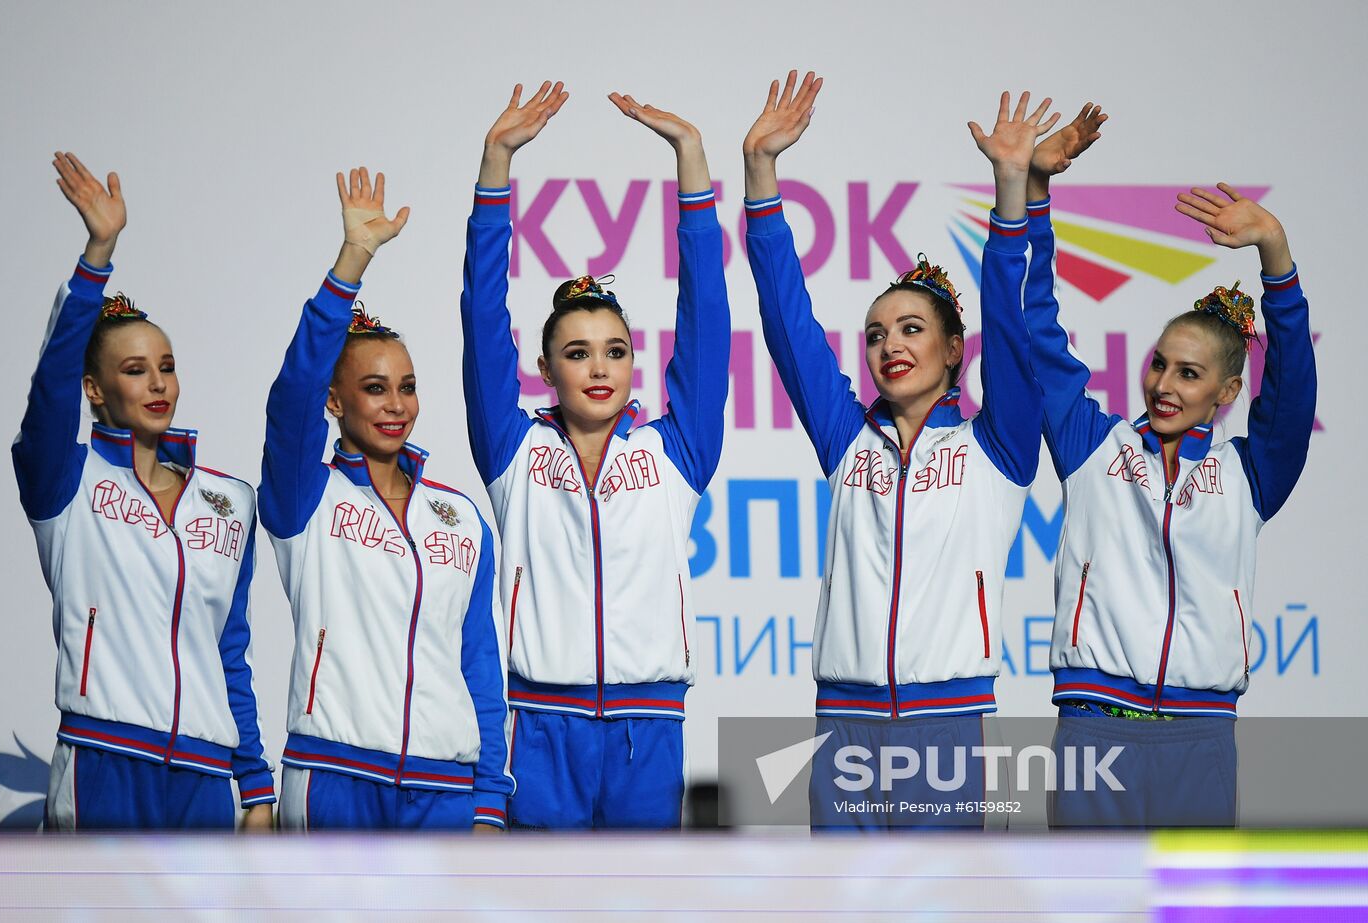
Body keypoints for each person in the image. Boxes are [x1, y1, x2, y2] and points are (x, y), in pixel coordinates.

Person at [743, 75, 1054, 829]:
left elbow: (1015, 334)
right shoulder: (849, 440)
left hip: (948, 727)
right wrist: (760, 172)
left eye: (912, 329)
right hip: (841, 724)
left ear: (954, 350)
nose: (890, 345)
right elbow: (788, 320)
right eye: (877, 333)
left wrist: (1011, 192)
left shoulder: (997, 446)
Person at [1023, 105, 1317, 826]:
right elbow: (1035, 327)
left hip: (1202, 738)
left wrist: (1275, 253)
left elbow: (1292, 389)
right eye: (1159, 363)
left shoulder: (1250, 477)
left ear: (1225, 392)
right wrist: (1034, 191)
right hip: (1094, 730)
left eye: (1189, 374)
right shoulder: (1094, 448)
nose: (1163, 384)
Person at [460, 81, 730, 828]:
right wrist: (495, 167)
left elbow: (706, 316)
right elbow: (482, 316)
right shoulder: (514, 452)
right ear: (545, 370)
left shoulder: (673, 452)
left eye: (616, 350)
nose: (600, 367)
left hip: (651, 729)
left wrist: (691, 162)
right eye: (577, 353)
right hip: (538, 728)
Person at [15, 152, 274, 830]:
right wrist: (97, 255)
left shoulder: (230, 502)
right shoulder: (64, 481)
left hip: (206, 778)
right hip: (103, 761)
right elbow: (46, 394)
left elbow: (228, 652)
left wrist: (253, 780)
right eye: (135, 369)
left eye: (166, 366)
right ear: (95, 390)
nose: (158, 383)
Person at [260, 167, 512, 831]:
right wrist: (351, 264)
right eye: (374, 388)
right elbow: (289, 404)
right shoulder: (303, 498)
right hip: (334, 777)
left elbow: (479, 663)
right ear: (336, 400)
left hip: (445, 788)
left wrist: (488, 799)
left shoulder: (461, 520)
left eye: (406, 385)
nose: (396, 404)